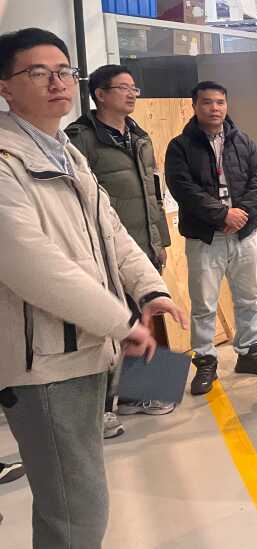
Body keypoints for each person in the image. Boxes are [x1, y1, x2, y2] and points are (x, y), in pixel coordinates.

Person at [0, 27, 185, 549]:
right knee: (76, 511)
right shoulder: (7, 161)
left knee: (75, 503)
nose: (57, 82)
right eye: (38, 72)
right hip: (44, 361)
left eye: (64, 71)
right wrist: (120, 320)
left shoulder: (65, 153)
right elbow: (31, 265)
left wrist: (149, 289)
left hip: (83, 348)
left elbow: (114, 232)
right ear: (5, 87)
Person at [67, 64, 175, 438]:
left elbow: (153, 193)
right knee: (108, 328)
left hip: (142, 247)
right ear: (100, 94)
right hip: (104, 251)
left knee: (145, 321)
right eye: (123, 88)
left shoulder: (139, 137)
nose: (132, 94)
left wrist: (160, 241)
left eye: (134, 88)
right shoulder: (80, 139)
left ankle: (137, 395)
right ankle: (100, 410)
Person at [165, 81, 257, 396]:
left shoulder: (243, 141)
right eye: (207, 102)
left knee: (248, 297)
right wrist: (221, 215)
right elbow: (183, 188)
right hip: (205, 237)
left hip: (243, 234)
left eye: (219, 102)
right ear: (194, 106)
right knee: (204, 303)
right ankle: (206, 362)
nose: (214, 108)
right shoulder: (180, 146)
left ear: (227, 105)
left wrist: (242, 214)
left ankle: (249, 352)